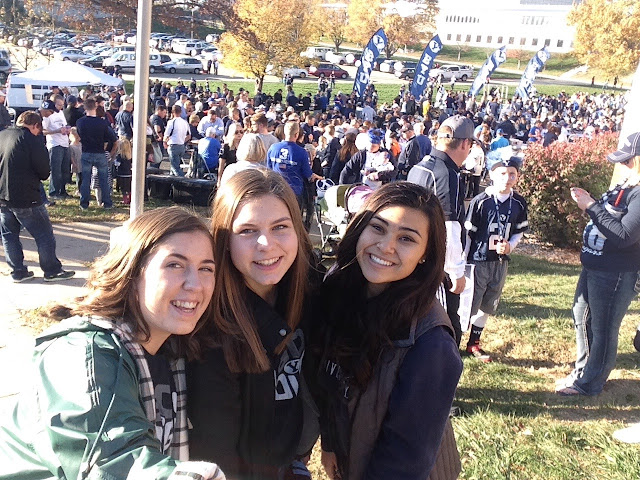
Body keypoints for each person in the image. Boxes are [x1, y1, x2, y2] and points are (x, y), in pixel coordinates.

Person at [0, 207, 225, 479]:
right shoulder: (85, 354)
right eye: (174, 265)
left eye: (206, 268)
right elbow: (112, 459)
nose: (195, 284)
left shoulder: (172, 351)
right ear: (132, 272)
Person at [316, 182, 463, 480]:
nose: (386, 246)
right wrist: (331, 443)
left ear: (425, 254)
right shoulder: (340, 290)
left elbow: (405, 461)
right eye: (378, 228)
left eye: (406, 238)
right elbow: (332, 379)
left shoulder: (431, 344)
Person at [188, 168, 317, 479]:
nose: (266, 244)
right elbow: (216, 456)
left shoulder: (307, 290)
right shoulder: (211, 329)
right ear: (224, 239)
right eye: (247, 230)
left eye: (280, 227)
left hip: (289, 462)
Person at [556, 132, 640, 396]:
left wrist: (591, 206)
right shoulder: (628, 183)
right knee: (581, 316)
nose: (622, 164)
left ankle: (590, 383)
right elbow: (607, 220)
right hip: (595, 264)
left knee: (603, 328)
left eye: (627, 160)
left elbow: (624, 236)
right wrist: (590, 205)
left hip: (615, 271)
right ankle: (583, 371)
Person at [408, 115, 476, 346]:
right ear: (465, 143)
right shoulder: (446, 174)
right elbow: (449, 225)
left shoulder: (421, 165)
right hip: (435, 267)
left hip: (415, 258)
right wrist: (456, 272)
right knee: (446, 328)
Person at [463, 156, 528, 362]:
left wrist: (510, 246)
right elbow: (468, 235)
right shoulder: (480, 201)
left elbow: (518, 231)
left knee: (488, 304)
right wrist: (462, 262)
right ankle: (453, 340)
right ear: (492, 174)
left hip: (500, 262)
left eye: (512, 174)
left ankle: (473, 343)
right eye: (502, 173)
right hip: (478, 259)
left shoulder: (519, 202)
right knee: (469, 303)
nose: (507, 178)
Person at [0, 111, 76, 283]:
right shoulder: (32, 140)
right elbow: (43, 171)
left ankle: (18, 271)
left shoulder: (2, 136)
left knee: (9, 235)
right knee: (44, 234)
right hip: (27, 196)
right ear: (35, 126)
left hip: (3, 195)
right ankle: (52, 270)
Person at [266, 120, 322, 208]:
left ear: (284, 133)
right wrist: (317, 177)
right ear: (296, 135)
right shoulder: (302, 152)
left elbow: (268, 170)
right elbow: (308, 174)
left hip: (276, 190)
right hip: (294, 192)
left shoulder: (273, 148)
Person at [76, 96, 118, 210]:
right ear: (96, 107)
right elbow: (111, 138)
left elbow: (79, 135)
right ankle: (107, 203)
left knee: (86, 179)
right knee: (104, 179)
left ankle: (84, 203)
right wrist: (110, 152)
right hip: (100, 152)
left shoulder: (80, 122)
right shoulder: (102, 122)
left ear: (85, 108)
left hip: (86, 151)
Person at [40, 98, 71, 199]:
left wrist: (67, 129)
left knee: (65, 169)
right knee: (56, 170)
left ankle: (62, 190)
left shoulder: (61, 113)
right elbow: (43, 131)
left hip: (65, 143)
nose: (61, 107)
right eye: (59, 104)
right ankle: (54, 192)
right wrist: (56, 131)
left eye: (62, 105)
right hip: (55, 144)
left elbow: (64, 124)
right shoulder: (47, 115)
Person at [164, 104, 191, 177]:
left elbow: (167, 135)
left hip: (173, 145)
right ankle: (172, 181)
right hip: (181, 146)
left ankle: (182, 180)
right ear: (181, 112)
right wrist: (182, 140)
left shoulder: (171, 122)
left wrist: (165, 142)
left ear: (172, 112)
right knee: (174, 166)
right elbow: (189, 136)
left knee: (175, 168)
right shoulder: (185, 122)